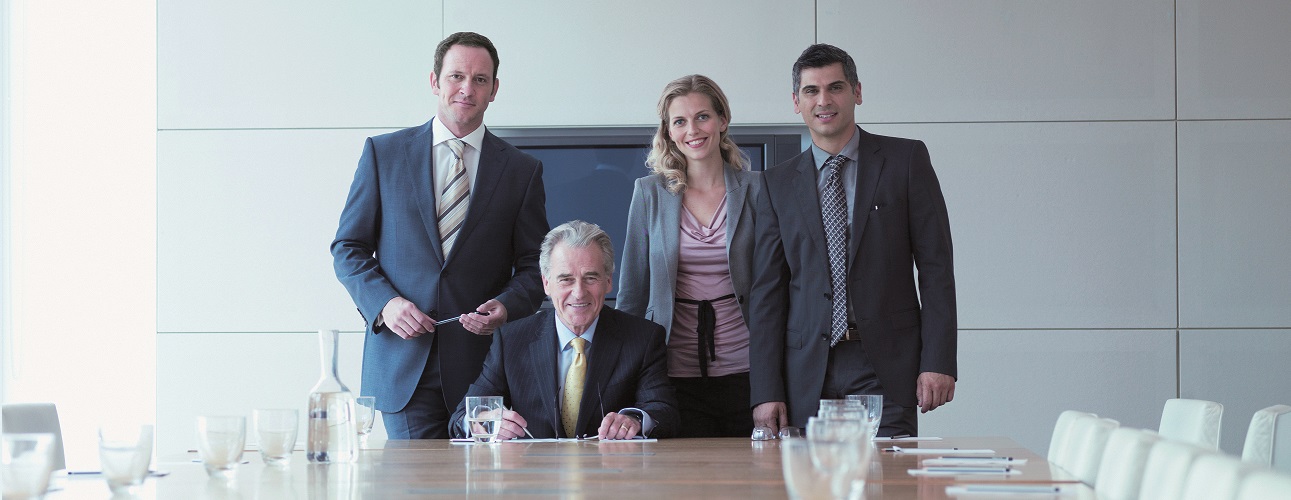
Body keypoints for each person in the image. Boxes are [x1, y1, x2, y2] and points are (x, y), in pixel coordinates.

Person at [331, 32, 548, 439]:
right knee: (417, 484)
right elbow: (348, 248)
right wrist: (386, 304)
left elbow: (537, 268)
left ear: (494, 90)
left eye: (481, 79)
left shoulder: (522, 171)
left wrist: (505, 306)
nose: (467, 88)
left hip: (484, 369)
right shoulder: (384, 154)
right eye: (456, 77)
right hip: (402, 362)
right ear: (435, 81)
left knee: (485, 486)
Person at [749, 43, 957, 437]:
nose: (823, 100)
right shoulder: (776, 184)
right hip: (806, 370)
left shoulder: (905, 161)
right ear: (796, 101)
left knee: (887, 488)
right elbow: (767, 294)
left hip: (885, 365)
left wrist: (938, 360)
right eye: (811, 91)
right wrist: (765, 390)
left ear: (857, 92)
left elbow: (936, 269)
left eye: (836, 87)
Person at [616, 75, 760, 437]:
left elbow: (779, 283)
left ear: (722, 120)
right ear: (668, 131)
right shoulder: (648, 193)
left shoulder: (758, 189)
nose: (692, 130)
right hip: (670, 373)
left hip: (749, 369)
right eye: (679, 121)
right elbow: (633, 290)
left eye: (702, 117)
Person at [449, 221, 680, 440]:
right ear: (546, 283)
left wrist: (634, 420)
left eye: (590, 278)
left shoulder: (643, 338)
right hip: (533, 474)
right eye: (566, 279)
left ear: (609, 281)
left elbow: (664, 411)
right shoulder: (511, 340)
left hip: (612, 473)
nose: (579, 292)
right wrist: (482, 422)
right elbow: (462, 417)